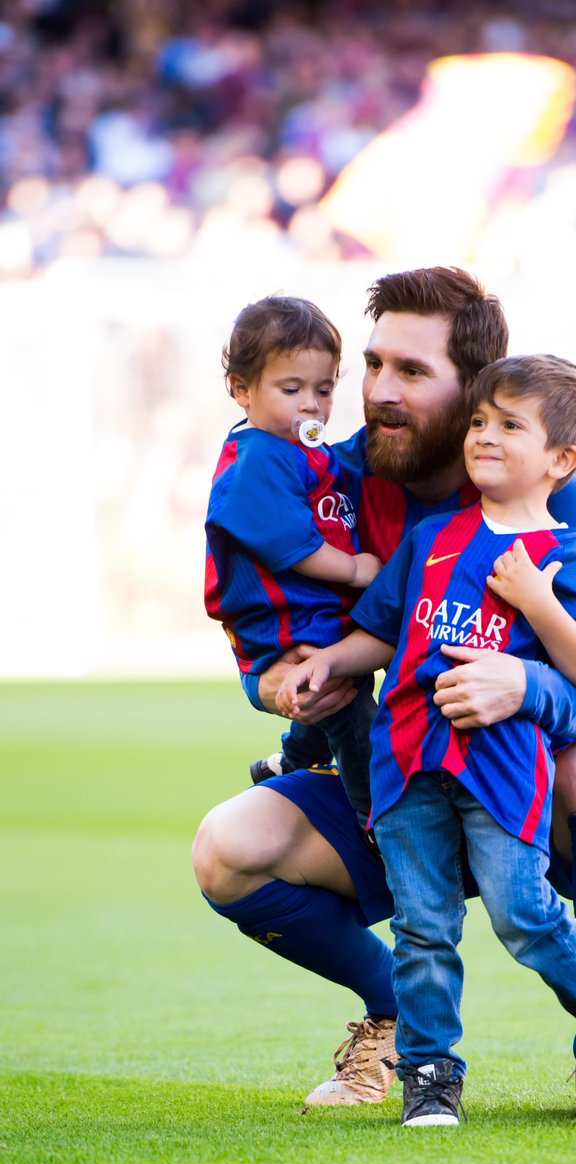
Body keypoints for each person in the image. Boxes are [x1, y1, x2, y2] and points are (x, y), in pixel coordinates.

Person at [192, 267, 576, 1118]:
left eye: (410, 372)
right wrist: (279, 688)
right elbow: (278, 627)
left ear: (471, 389)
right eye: (372, 366)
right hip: (404, 771)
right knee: (226, 847)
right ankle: (397, 1018)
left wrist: (520, 682)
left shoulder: (550, 498)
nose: (376, 392)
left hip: (523, 779)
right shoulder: (322, 478)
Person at [204, 295, 382, 829]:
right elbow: (291, 544)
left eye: (324, 390)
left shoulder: (302, 450)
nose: (311, 404)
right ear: (242, 390)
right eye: (291, 390)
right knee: (353, 717)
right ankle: (375, 820)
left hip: (311, 619)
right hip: (282, 626)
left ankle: (294, 759)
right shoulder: (260, 456)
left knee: (336, 696)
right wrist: (354, 569)